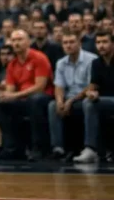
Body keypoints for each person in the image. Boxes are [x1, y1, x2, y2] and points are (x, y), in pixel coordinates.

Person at [0, 28, 53, 160]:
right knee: (0, 104)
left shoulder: (39, 58)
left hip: (44, 97)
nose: (16, 43)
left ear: (28, 42)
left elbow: (40, 87)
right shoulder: (12, 64)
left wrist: (14, 96)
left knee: (35, 100)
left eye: (20, 40)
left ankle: (38, 148)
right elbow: (10, 89)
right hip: (23, 98)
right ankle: (11, 148)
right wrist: (6, 96)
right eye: (14, 40)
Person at [47, 29, 96, 159]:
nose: (68, 45)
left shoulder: (92, 60)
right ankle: (58, 148)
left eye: (72, 42)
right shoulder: (61, 62)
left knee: (87, 104)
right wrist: (59, 101)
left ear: (79, 43)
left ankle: (89, 148)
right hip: (69, 98)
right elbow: (59, 86)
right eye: (65, 43)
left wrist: (71, 101)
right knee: (52, 106)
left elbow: (91, 86)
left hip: (85, 97)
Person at [79, 29, 114, 163]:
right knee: (88, 102)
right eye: (98, 42)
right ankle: (90, 149)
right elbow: (93, 85)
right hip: (106, 100)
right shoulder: (96, 63)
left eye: (105, 42)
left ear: (112, 44)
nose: (101, 45)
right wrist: (90, 93)